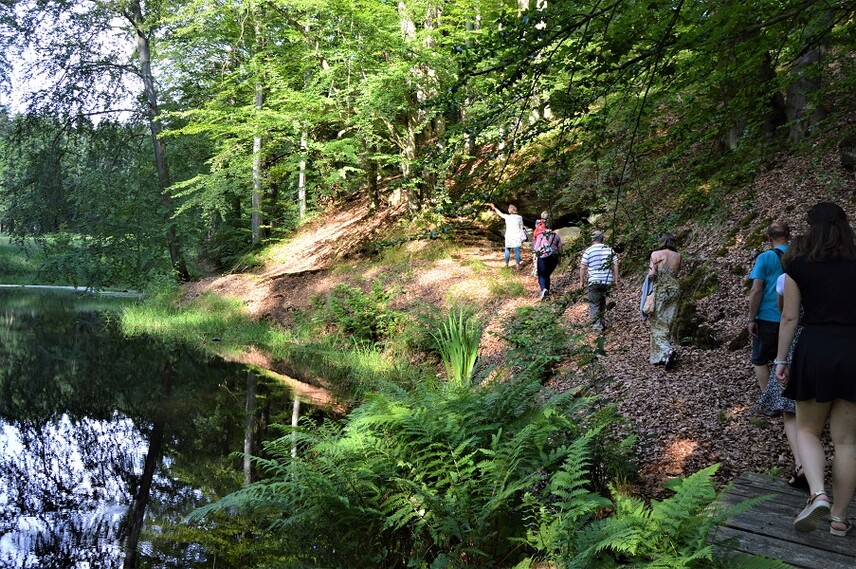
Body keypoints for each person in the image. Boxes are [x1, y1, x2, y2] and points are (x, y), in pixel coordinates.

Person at [775, 202, 856, 536]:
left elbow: (790, 317)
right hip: (853, 350)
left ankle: (817, 494)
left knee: (808, 430)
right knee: (848, 442)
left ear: (811, 228)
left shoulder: (798, 265)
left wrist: (781, 360)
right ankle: (838, 518)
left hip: (814, 351)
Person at [754, 236, 806, 488]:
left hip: (795, 343)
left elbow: (784, 311)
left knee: (790, 410)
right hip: (824, 341)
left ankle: (801, 463)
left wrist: (780, 360)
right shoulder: (832, 275)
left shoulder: (787, 279)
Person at [748, 221, 790, 392]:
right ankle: (790, 397)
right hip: (793, 317)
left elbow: (757, 289)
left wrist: (751, 318)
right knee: (786, 357)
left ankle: (770, 400)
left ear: (769, 238)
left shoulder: (765, 258)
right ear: (789, 235)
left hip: (767, 316)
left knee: (759, 359)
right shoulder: (800, 255)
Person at [647, 233, 682, 369]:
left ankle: (667, 350)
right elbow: (677, 272)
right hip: (674, 289)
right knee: (668, 321)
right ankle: (661, 356)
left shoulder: (655, 254)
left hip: (661, 289)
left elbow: (651, 274)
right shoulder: (678, 256)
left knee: (657, 322)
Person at [580, 230, 619, 331]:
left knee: (594, 303)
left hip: (594, 280)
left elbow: (583, 267)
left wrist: (581, 281)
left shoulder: (588, 251)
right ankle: (602, 322)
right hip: (607, 280)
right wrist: (616, 279)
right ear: (602, 239)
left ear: (592, 239)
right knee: (602, 301)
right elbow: (615, 264)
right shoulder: (609, 250)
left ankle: (597, 327)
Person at [488, 203, 526, 270]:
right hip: (516, 235)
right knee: (517, 250)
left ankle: (506, 264)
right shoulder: (519, 217)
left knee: (507, 249)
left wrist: (494, 208)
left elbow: (500, 213)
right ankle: (517, 265)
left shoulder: (507, 217)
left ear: (510, 210)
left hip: (509, 235)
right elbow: (521, 227)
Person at [533, 221, 562, 300]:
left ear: (545, 227)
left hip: (543, 257)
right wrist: (559, 259)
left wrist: (535, 258)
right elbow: (560, 249)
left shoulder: (541, 235)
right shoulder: (556, 236)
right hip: (553, 258)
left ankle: (544, 289)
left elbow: (536, 248)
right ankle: (547, 292)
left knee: (541, 274)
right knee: (547, 275)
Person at [530, 211, 549, 276]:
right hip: (543, 241)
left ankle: (535, 268)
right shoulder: (546, 223)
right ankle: (542, 268)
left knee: (535, 254)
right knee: (543, 254)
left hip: (536, 239)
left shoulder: (537, 222)